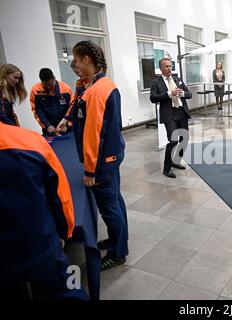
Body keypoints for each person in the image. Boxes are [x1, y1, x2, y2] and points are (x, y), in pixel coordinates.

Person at [0, 122, 88, 300]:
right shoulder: (31, 142)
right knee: (69, 292)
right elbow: (61, 197)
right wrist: (64, 233)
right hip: (41, 245)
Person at [71, 41, 128, 271]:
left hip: (102, 162)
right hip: (113, 156)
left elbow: (93, 135)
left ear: (87, 59)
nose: (74, 65)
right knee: (116, 201)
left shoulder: (95, 92)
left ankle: (117, 253)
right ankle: (118, 241)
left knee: (110, 207)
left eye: (76, 60)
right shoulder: (104, 84)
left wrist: (89, 171)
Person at [150, 57, 192, 179]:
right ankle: (166, 168)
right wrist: (169, 94)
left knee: (184, 139)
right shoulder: (156, 82)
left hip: (181, 112)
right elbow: (153, 98)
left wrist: (182, 93)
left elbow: (189, 94)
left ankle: (176, 161)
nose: (169, 68)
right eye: (166, 66)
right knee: (173, 141)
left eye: (170, 66)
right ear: (161, 68)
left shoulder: (177, 79)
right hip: (169, 114)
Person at [30, 68, 73, 136]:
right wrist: (47, 125)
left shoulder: (66, 89)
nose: (48, 87)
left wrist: (67, 124)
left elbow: (71, 108)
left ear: (54, 78)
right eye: (45, 85)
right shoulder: (35, 90)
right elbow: (37, 111)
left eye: (50, 85)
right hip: (48, 130)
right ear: (41, 81)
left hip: (66, 128)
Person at [56, 60, 92, 133]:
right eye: (75, 73)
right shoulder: (79, 83)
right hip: (81, 117)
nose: (78, 75)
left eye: (78, 72)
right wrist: (65, 119)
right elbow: (74, 101)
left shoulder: (94, 82)